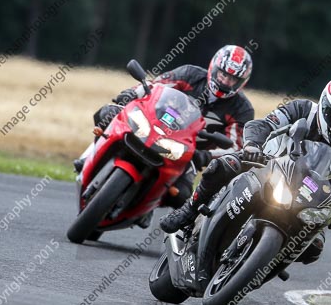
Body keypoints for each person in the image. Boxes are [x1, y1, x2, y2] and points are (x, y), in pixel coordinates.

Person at [160, 75, 331, 264]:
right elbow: (263, 124)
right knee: (222, 166)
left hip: (304, 196)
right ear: (326, 109)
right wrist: (252, 146)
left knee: (315, 247)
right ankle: (189, 211)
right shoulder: (303, 110)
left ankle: (268, 264)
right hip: (265, 164)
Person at [75, 44, 254, 209]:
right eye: (223, 74)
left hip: (187, 154)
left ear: (241, 82)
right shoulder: (190, 74)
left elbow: (235, 147)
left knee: (180, 196)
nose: (225, 81)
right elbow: (155, 85)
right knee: (108, 113)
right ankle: (88, 156)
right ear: (214, 67)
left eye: (232, 79)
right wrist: (131, 93)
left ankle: (147, 208)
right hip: (152, 126)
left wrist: (206, 155)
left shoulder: (242, 109)